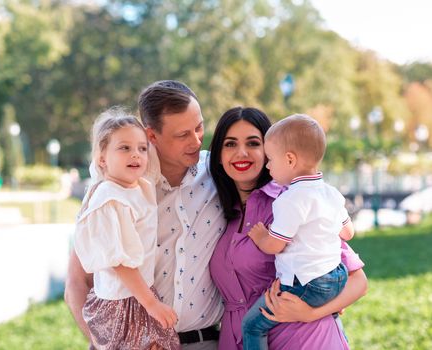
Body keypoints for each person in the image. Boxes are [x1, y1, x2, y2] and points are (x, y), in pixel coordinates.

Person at [65, 80, 226, 349]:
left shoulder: (218, 173)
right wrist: (108, 344)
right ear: (152, 136)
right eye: (182, 134)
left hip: (205, 341)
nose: (196, 140)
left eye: (199, 127)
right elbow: (77, 282)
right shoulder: (115, 189)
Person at [208, 107, 368, 349]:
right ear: (218, 154)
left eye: (254, 143)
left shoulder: (295, 201)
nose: (241, 153)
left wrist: (311, 313)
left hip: (305, 338)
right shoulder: (215, 211)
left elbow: (358, 282)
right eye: (230, 144)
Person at [242, 113, 354, 350]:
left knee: (251, 325)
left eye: (271, 159)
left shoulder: (290, 199)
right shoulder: (331, 193)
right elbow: (348, 233)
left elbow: (274, 245)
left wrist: (261, 236)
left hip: (304, 284)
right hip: (337, 278)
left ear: (290, 159)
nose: (268, 166)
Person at [73, 108, 180, 349]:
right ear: (102, 158)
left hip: (138, 294)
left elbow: (150, 159)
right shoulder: (108, 197)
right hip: (123, 302)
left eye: (142, 148)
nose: (136, 155)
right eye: (124, 148)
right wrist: (151, 303)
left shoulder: (139, 185)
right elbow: (120, 261)